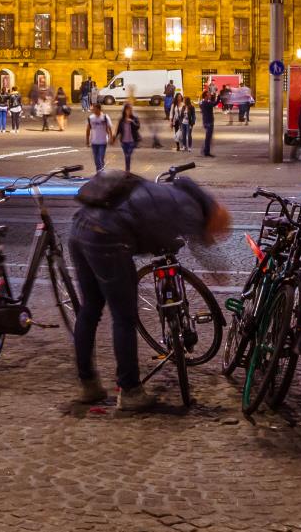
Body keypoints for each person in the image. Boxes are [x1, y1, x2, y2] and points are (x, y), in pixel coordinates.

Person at [67, 169, 232, 410]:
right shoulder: (191, 211)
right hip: (106, 238)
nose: (219, 235)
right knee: (124, 317)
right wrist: (220, 271)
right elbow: (199, 247)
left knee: (90, 308)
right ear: (213, 216)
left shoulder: (176, 194)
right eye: (221, 229)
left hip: (79, 229)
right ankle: (130, 391)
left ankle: (88, 385)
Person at [85, 102, 113, 172]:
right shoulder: (91, 118)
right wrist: (87, 140)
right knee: (96, 159)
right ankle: (99, 172)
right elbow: (88, 129)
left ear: (98, 109)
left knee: (101, 158)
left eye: (94, 109)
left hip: (103, 141)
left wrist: (111, 138)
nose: (93, 110)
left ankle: (101, 172)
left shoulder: (105, 117)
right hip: (94, 142)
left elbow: (109, 128)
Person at [115, 102, 142, 172]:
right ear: (125, 110)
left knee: (128, 155)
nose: (129, 111)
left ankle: (127, 170)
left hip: (132, 141)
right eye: (128, 109)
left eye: (130, 109)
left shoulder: (135, 118)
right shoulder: (122, 119)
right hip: (124, 141)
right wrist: (114, 138)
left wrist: (132, 122)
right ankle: (127, 169)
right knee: (126, 156)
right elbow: (118, 129)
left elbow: (138, 127)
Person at [199, 90, 217, 158]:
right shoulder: (206, 102)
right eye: (208, 95)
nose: (210, 95)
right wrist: (218, 98)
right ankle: (206, 152)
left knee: (208, 138)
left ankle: (205, 151)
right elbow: (214, 104)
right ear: (206, 96)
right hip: (208, 122)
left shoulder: (203, 102)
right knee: (208, 138)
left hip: (207, 121)